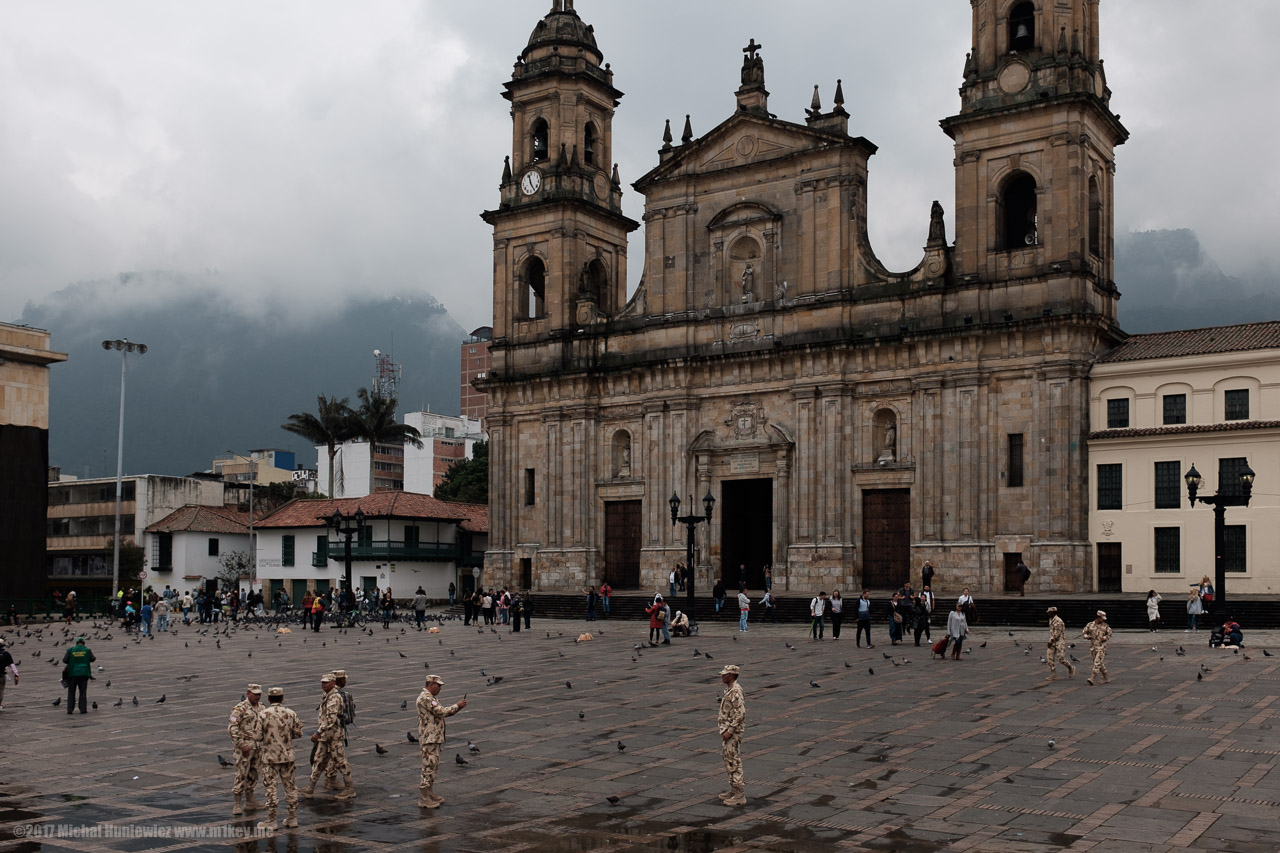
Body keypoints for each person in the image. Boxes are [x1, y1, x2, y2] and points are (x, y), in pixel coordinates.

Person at [416, 674, 467, 808]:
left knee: (433, 766)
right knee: (428, 767)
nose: (440, 688)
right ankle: (424, 797)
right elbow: (441, 712)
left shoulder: (431, 698)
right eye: (438, 685)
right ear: (430, 684)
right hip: (429, 738)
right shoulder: (426, 698)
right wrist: (458, 706)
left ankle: (429, 793)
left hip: (434, 737)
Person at [303, 673, 354, 800]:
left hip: (334, 736)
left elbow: (330, 719)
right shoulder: (327, 695)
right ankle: (310, 788)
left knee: (341, 762)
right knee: (318, 761)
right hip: (326, 736)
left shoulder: (334, 697)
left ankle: (350, 789)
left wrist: (318, 732)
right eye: (322, 682)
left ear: (333, 683)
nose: (323, 684)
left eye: (326, 682)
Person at [258, 686, 303, 831]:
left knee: (271, 789)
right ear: (282, 698)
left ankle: (271, 820)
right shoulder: (291, 713)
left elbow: (257, 736)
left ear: (269, 698)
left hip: (270, 758)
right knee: (290, 788)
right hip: (287, 757)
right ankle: (292, 818)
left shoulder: (263, 714)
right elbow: (298, 733)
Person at [228, 683, 266, 816]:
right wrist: (241, 744)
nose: (257, 696)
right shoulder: (239, 709)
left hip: (258, 746)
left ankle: (250, 800)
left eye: (259, 694)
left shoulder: (262, 707)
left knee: (254, 773)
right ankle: (237, 803)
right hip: (245, 746)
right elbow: (232, 728)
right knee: (241, 774)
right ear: (248, 693)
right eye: (255, 694)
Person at [717, 665, 747, 806]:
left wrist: (730, 730)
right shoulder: (730, 690)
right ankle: (734, 789)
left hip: (733, 733)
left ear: (731, 676)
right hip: (727, 731)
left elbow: (740, 714)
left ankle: (740, 794)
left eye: (725, 674)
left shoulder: (735, 691)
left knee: (734, 761)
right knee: (728, 759)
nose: (722, 676)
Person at [61, 636, 95, 714]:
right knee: (82, 692)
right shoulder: (87, 650)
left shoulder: (71, 650)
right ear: (84, 643)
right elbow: (93, 659)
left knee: (71, 692)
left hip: (72, 673)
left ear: (76, 643)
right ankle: (83, 709)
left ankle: (70, 710)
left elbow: (64, 660)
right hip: (84, 674)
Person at [1044, 607, 1075, 681]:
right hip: (1052, 641)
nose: (1048, 613)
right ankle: (1053, 674)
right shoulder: (1051, 620)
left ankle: (1070, 667)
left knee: (1061, 658)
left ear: (1053, 612)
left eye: (1049, 612)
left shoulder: (1058, 621)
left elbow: (1057, 633)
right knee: (1049, 657)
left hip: (1059, 641)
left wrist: (1050, 641)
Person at [1082, 610, 1112, 686]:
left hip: (1101, 647)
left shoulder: (1105, 626)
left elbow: (1109, 633)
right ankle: (1106, 677)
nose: (1104, 620)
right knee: (1099, 663)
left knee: (1097, 663)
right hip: (1093, 647)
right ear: (1098, 617)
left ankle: (1092, 677)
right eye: (1102, 618)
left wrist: (1105, 637)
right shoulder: (1090, 625)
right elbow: (1084, 632)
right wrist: (1086, 636)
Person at [0, 638, 18, 711]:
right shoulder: (6, 654)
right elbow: (12, 666)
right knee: (0, 691)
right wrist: (16, 675)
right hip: (1, 676)